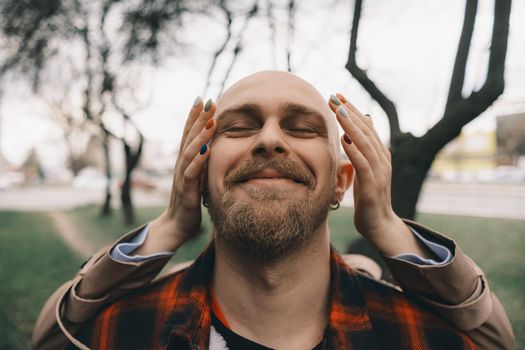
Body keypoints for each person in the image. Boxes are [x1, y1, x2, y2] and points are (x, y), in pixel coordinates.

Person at [33, 71, 515, 350]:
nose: (269, 139)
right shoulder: (121, 331)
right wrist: (169, 227)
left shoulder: (420, 337)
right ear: (199, 174)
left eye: (302, 128)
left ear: (341, 183)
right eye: (239, 126)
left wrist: (385, 227)